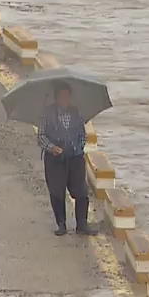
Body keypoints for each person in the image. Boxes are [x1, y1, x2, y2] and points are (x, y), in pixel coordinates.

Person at [36, 82, 96, 236]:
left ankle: (82, 224)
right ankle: (61, 224)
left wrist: (78, 147)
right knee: (57, 192)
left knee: (81, 191)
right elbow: (41, 136)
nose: (65, 99)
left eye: (67, 96)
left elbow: (83, 135)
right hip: (55, 160)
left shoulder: (76, 113)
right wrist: (52, 148)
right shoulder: (46, 114)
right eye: (62, 96)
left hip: (75, 159)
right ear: (56, 98)